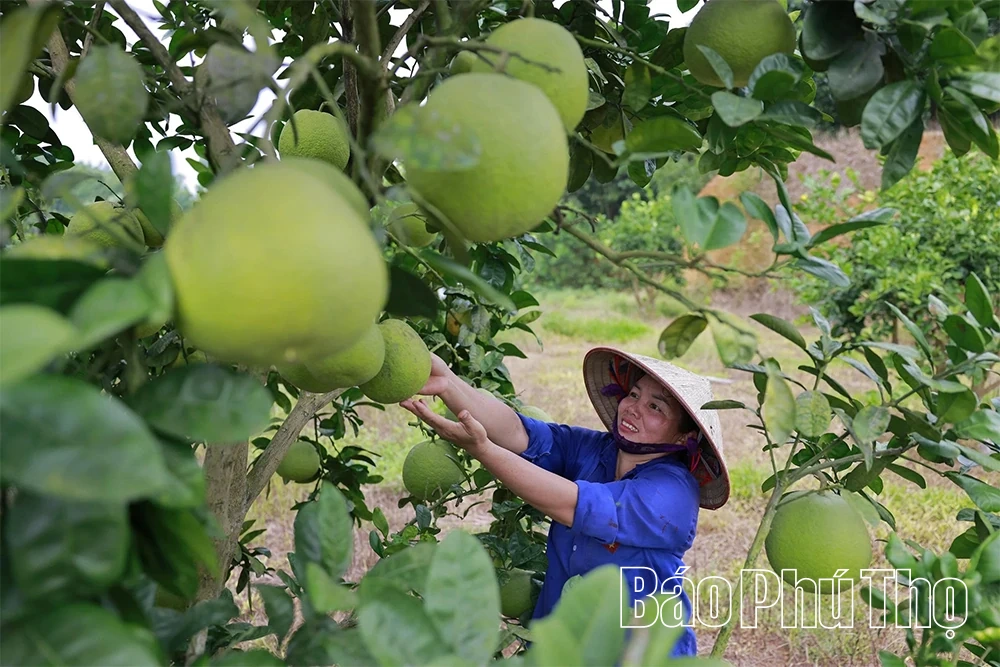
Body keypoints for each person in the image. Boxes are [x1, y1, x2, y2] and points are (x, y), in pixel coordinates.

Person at [401, 346, 730, 658]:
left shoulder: (672, 493)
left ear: (684, 438)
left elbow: (570, 505)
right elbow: (519, 433)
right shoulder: (597, 450)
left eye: (655, 407)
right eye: (633, 394)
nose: (633, 408)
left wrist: (482, 449)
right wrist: (448, 383)